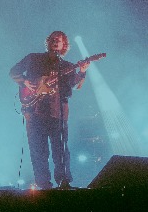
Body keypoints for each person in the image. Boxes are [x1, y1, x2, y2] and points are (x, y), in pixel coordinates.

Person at [10, 31, 89, 190]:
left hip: (57, 113)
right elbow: (13, 72)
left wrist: (82, 71)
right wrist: (25, 82)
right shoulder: (34, 58)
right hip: (34, 110)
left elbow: (76, 84)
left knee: (60, 149)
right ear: (48, 42)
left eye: (58, 40)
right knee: (38, 150)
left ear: (63, 45)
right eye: (53, 39)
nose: (55, 42)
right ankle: (44, 185)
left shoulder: (67, 66)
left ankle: (63, 182)